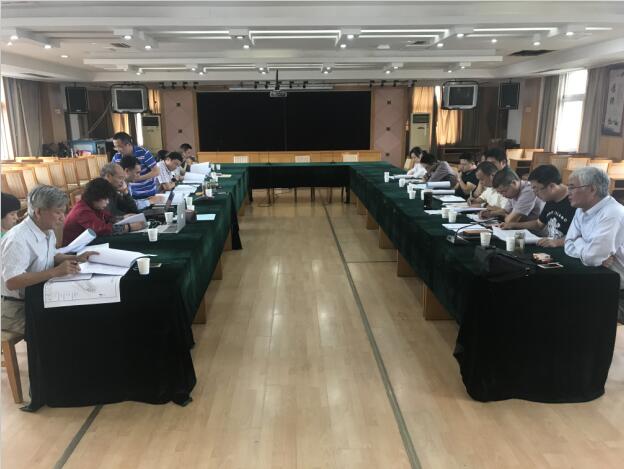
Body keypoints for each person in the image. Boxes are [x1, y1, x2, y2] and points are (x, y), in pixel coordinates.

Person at [1, 186, 98, 334]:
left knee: (84, 312)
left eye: (63, 212)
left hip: (40, 296)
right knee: (66, 328)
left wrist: (76, 257)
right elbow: (12, 281)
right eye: (57, 212)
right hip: (16, 308)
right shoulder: (17, 239)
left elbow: (50, 255)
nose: (63, 218)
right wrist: (55, 272)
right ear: (38, 212)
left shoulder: (46, 229)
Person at [564, 167, 624, 323]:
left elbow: (593, 257)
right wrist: (585, 246)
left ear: (591, 189)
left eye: (572, 187)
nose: (568, 192)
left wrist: (580, 244)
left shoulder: (613, 213)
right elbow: (568, 244)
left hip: (617, 290)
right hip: (599, 278)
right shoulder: (581, 209)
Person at [498, 165, 576, 247]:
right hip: (550, 245)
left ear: (552, 186)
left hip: (566, 249)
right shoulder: (551, 199)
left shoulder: (575, 201)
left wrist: (557, 242)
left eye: (536, 189)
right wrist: (512, 225)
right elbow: (539, 224)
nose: (535, 194)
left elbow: (581, 235)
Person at [63, 178, 146, 245]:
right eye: (105, 199)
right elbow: (102, 229)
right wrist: (129, 227)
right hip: (75, 250)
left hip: (89, 242)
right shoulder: (82, 211)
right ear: (95, 197)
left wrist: (124, 218)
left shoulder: (92, 205)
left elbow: (108, 217)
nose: (107, 202)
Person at [111, 132, 159, 200]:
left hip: (147, 193)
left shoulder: (143, 153)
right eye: (115, 147)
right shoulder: (116, 157)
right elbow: (114, 174)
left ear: (128, 144)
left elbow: (156, 171)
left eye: (119, 147)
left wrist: (137, 178)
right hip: (129, 193)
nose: (117, 149)